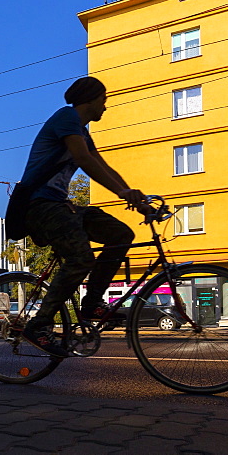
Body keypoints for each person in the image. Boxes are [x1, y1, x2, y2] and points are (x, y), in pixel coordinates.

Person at [16, 76, 155, 357]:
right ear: (91, 100)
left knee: (121, 235)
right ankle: (39, 325)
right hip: (39, 206)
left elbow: (102, 164)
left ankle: (92, 304)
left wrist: (133, 196)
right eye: (104, 100)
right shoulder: (66, 118)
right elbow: (84, 160)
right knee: (80, 260)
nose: (105, 107)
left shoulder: (81, 129)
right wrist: (122, 193)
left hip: (60, 205)